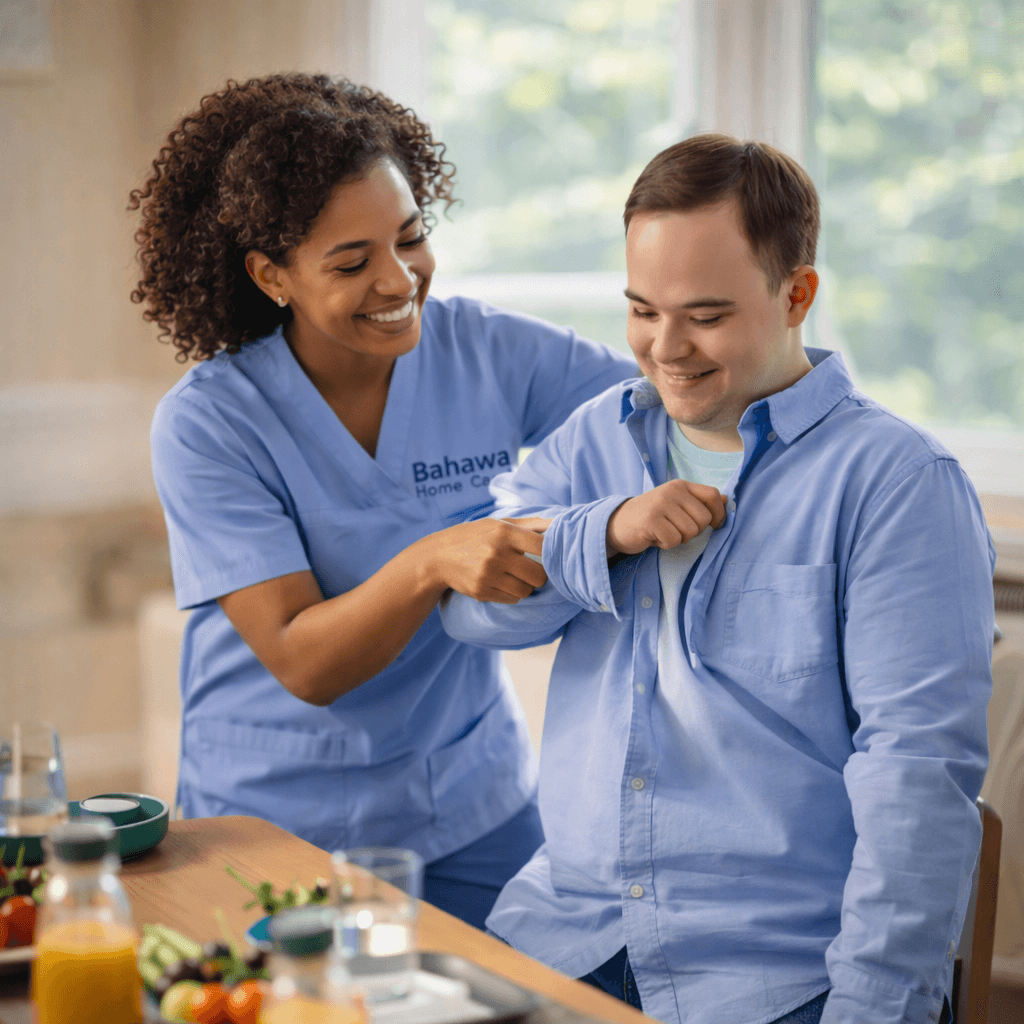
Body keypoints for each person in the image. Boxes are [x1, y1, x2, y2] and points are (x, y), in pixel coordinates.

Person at [440, 134, 995, 1023]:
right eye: (641, 310)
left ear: (797, 294)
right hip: (563, 935)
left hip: (773, 976)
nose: (666, 349)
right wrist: (603, 531)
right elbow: (471, 613)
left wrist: (870, 1011)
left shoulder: (898, 483)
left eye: (706, 315)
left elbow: (916, 780)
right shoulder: (597, 436)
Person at [131, 72, 637, 929]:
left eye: (410, 238)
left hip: (471, 800)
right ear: (271, 274)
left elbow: (659, 409)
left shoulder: (486, 350)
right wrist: (437, 558)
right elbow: (305, 661)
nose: (400, 279)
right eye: (352, 261)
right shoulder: (210, 424)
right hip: (282, 823)